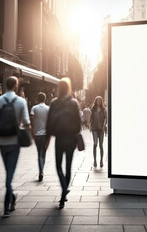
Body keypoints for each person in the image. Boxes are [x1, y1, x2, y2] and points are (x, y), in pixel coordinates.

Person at [0, 76, 30, 218]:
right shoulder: (21, 101)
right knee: (9, 177)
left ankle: (10, 200)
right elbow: (26, 121)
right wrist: (24, 129)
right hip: (15, 143)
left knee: (8, 174)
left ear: (6, 85)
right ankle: (7, 206)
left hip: (2, 144)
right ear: (16, 86)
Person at [46, 78, 81, 210]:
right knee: (68, 166)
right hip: (71, 138)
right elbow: (78, 123)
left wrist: (47, 139)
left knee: (58, 166)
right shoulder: (74, 103)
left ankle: (64, 190)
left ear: (59, 88)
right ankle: (64, 193)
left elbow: (49, 122)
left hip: (59, 138)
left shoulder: (54, 103)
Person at [30, 92, 49, 182]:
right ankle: (41, 171)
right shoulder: (48, 109)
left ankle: (40, 171)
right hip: (45, 134)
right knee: (43, 154)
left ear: (38, 99)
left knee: (39, 153)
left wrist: (32, 132)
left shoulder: (34, 108)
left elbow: (32, 120)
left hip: (37, 134)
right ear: (45, 99)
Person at [90, 96, 107, 167]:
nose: (98, 101)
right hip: (94, 128)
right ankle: (95, 161)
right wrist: (90, 125)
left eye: (100, 100)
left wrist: (104, 125)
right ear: (95, 101)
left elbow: (106, 118)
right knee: (95, 144)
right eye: (97, 100)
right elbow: (91, 118)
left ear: (101, 101)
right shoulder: (93, 109)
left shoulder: (104, 109)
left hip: (101, 129)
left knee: (100, 145)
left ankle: (101, 161)